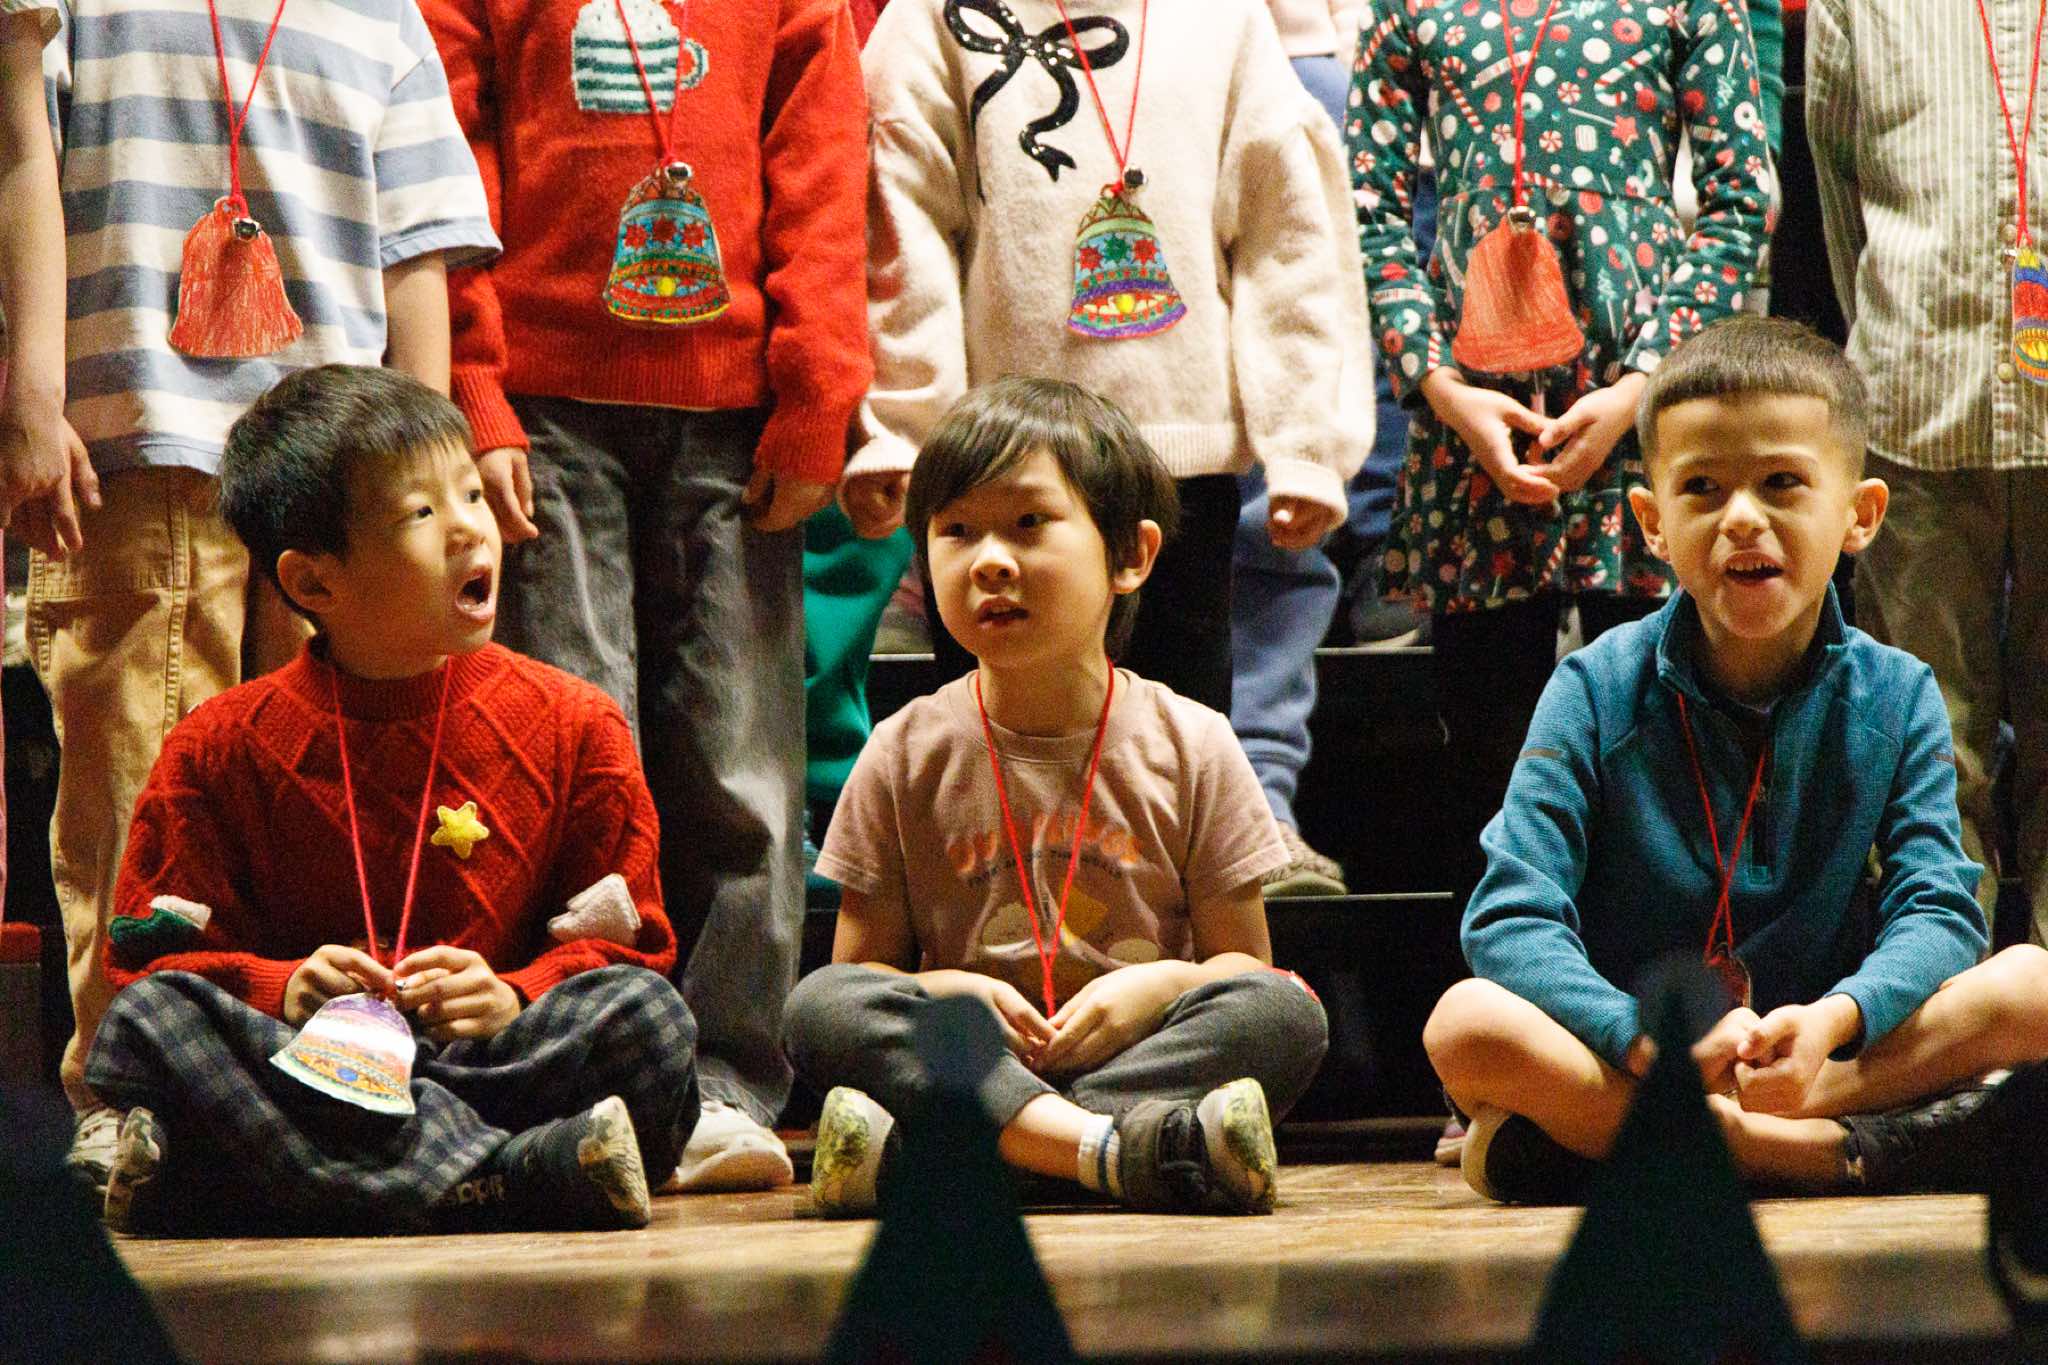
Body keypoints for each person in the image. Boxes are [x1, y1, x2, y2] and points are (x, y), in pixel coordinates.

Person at [1422, 317, 2048, 1203]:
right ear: (1652, 522)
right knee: (1464, 1024)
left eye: (1782, 482)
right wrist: (1638, 1037)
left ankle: (1661, 1141)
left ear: (1861, 514)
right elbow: (1510, 916)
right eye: (1702, 488)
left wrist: (1836, 1019)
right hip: (1640, 1056)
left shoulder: (1899, 692)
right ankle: (1809, 1152)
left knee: (2034, 985)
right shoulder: (1592, 687)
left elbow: (1939, 909)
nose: (1743, 517)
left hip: (1817, 1059)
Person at [39, 0, 497, 1189]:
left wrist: (426, 470)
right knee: (136, 787)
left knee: (335, 792)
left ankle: (330, 1096)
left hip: (338, 483)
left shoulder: (383, 16)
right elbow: (18, 173)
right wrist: (27, 397)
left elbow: (417, 247)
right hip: (130, 437)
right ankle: (133, 1089)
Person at [421, 0, 871, 1192]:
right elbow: (449, 163)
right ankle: (585, 1067)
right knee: (573, 754)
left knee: (741, 766)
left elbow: (824, 172)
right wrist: (475, 388)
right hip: (543, 414)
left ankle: (724, 1082)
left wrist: (817, 392)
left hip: (735, 416)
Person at [83, 366, 697, 1235]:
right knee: (147, 1025)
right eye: (422, 512)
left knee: (651, 1021)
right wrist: (283, 986)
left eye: (471, 494)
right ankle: (509, 1177)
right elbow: (150, 958)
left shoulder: (577, 724)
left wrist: (516, 994)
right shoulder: (216, 747)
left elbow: (636, 945)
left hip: (493, 1065)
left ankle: (298, 1182)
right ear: (313, 583)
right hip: (310, 1066)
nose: (471, 526)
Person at [784, 377, 1330, 1218]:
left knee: (1285, 1010)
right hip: (971, 1061)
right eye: (956, 531)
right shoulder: (903, 748)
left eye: (1029, 522)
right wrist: (950, 992)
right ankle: (1126, 1150)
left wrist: (1158, 988)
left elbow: (1240, 964)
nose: (990, 560)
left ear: (1131, 555)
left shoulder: (1194, 740)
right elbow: (862, 977)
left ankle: (973, 1155)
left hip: (1137, 1056)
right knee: (817, 1006)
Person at [843, 0, 1373, 718]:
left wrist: (1305, 443)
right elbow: (901, 232)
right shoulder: (929, 19)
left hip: (1181, 473)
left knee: (1176, 739)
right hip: (994, 475)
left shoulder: (1225, 19)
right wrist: (906, 429)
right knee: (994, 740)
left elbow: (1287, 241)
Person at [1349, 0, 1775, 891]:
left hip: (1646, 417)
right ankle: (1508, 962)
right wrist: (1442, 386)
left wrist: (1641, 386)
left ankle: (1667, 972)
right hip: (1473, 423)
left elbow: (1742, 198)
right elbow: (1367, 209)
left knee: (1670, 750)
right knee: (1490, 760)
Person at [1807, 0, 2048, 944]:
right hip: (1917, 395)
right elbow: (1836, 186)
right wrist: (1890, 345)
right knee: (1930, 751)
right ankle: (1944, 998)